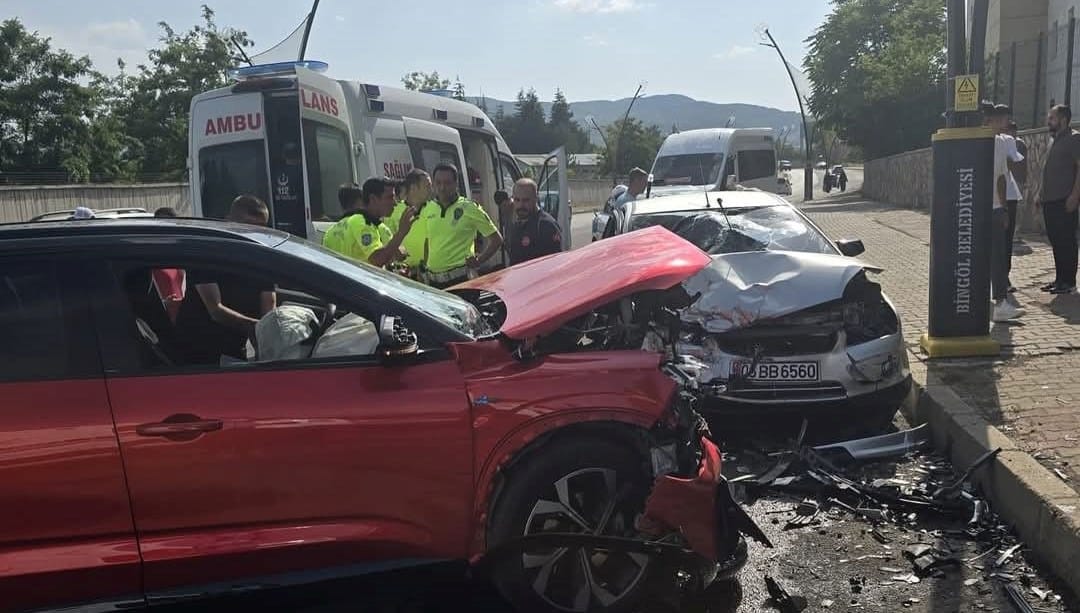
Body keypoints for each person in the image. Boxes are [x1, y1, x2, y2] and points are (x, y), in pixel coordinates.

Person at [174, 195, 277, 364]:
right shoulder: (207, 254)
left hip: (234, 350)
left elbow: (268, 305)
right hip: (198, 352)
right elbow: (215, 310)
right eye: (246, 226)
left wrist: (271, 335)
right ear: (228, 221)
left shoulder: (261, 259)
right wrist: (259, 328)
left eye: (260, 228)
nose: (253, 234)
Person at [421, 163, 503, 288]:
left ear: (456, 184)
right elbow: (429, 241)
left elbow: (496, 239)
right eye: (438, 183)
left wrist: (479, 261)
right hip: (434, 283)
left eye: (447, 183)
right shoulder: (428, 208)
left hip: (461, 280)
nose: (442, 187)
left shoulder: (469, 208)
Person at [987, 105, 1025, 322]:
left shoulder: (974, 140)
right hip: (993, 207)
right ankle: (1001, 303)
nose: (1005, 123)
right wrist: (1004, 208)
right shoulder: (1000, 142)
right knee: (998, 255)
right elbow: (1002, 178)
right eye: (1002, 119)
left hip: (972, 206)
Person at [326, 179, 418, 268]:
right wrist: (401, 232)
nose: (394, 203)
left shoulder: (330, 231)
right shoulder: (362, 222)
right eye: (390, 197)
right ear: (373, 199)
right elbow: (377, 260)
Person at [1038, 104, 1080, 295]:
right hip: (1050, 199)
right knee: (1056, 240)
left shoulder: (1074, 139)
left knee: (1066, 241)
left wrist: (1074, 195)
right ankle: (1059, 279)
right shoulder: (1054, 140)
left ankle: (1069, 282)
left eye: (1052, 118)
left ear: (1063, 120)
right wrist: (1040, 193)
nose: (1049, 121)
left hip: (1065, 199)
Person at [506, 178, 563, 266]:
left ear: (536, 198)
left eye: (526, 200)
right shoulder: (517, 225)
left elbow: (555, 265)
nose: (521, 205)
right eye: (517, 200)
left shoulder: (546, 225)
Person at [1005, 119, 1028, 293]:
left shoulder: (1017, 144)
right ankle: (999, 280)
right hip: (1000, 199)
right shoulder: (999, 143)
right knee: (998, 243)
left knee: (1006, 242)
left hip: (1011, 194)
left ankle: (1003, 279)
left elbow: (1018, 164)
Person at [385, 177, 428, 269]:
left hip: (431, 270)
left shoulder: (434, 208)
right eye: (427, 186)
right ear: (413, 188)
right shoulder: (394, 211)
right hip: (405, 272)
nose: (431, 190)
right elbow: (387, 239)